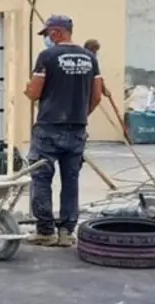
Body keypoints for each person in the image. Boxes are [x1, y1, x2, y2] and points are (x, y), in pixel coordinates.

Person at [23, 15, 103, 247]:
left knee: (41, 178)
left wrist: (28, 90)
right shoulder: (90, 58)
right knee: (71, 180)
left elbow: (35, 92)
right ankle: (67, 232)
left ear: (56, 32)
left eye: (47, 34)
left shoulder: (47, 57)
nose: (47, 39)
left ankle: (46, 231)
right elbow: (96, 96)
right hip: (77, 129)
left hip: (48, 127)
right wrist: (80, 116)